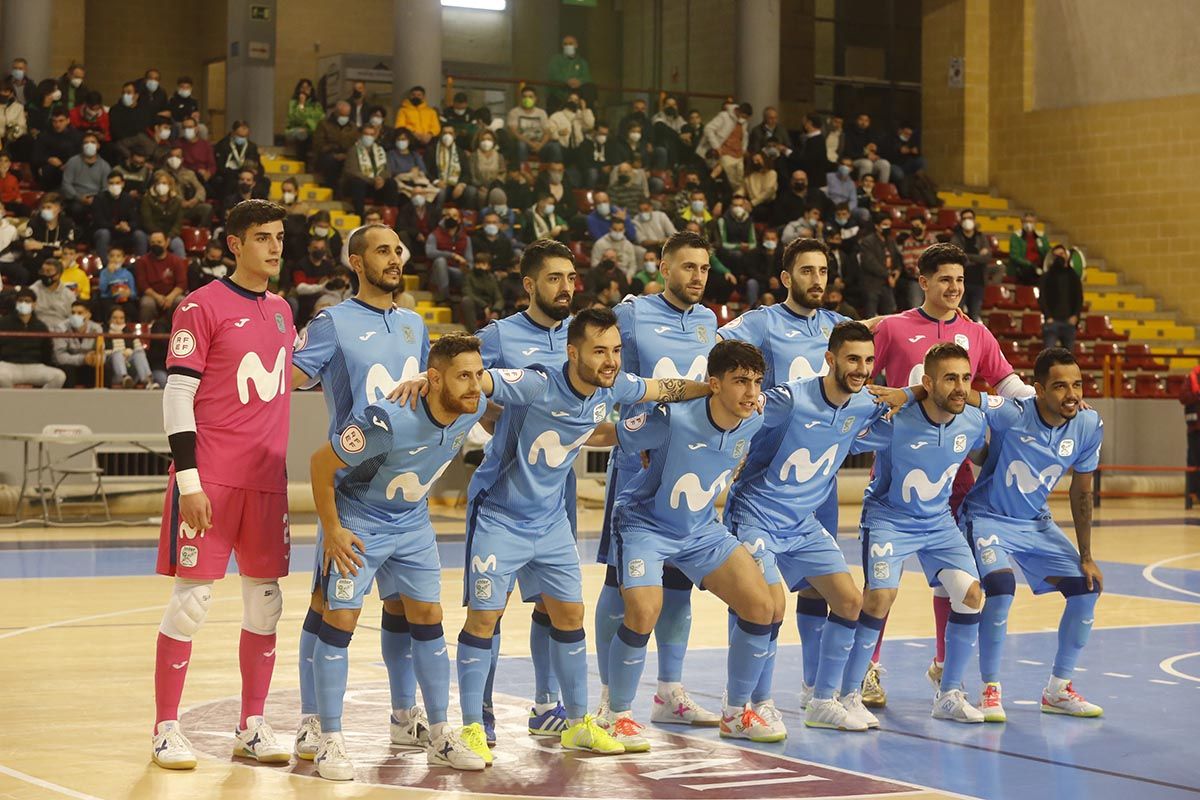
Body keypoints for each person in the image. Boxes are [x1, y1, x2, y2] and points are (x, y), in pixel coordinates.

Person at [446, 307, 712, 760]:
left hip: (551, 523)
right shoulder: (537, 382)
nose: (611, 360)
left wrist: (712, 390)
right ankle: (472, 727)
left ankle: (577, 724)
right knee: (484, 620)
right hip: (500, 516)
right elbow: (477, 378)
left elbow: (662, 388)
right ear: (573, 353)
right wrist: (425, 379)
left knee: (569, 616)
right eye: (599, 351)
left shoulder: (615, 384)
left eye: (615, 350)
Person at [306, 335, 525, 778]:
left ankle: (440, 733)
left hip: (411, 523)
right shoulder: (385, 421)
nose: (475, 385)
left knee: (428, 616)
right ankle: (330, 739)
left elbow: (513, 392)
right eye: (464, 376)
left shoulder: (474, 407)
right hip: (360, 521)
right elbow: (319, 464)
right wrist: (332, 531)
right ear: (435, 379)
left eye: (479, 375)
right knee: (340, 620)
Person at [149, 199, 293, 771]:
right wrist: (189, 480)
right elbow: (177, 393)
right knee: (192, 603)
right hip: (209, 478)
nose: (275, 247)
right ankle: (165, 729)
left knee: (266, 604)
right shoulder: (199, 306)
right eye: (263, 237)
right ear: (235, 244)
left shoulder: (283, 311)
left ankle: (252, 726)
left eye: (279, 237)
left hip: (266, 482)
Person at [860, 242, 1035, 708]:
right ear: (924, 282)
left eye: (959, 280)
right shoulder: (894, 328)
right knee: (884, 583)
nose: (954, 287)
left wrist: (1043, 400)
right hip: (899, 469)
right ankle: (868, 671)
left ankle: (943, 667)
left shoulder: (978, 334)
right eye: (945, 279)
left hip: (954, 475)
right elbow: (859, 377)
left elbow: (1008, 385)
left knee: (952, 579)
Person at [603, 339, 783, 749]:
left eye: (756, 382)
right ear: (713, 384)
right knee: (645, 610)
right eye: (740, 382)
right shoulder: (672, 418)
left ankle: (737, 713)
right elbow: (611, 435)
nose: (751, 392)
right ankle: (616, 715)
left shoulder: (755, 418)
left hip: (702, 531)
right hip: (644, 523)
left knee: (762, 607)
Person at [723, 322, 898, 733]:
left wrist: (912, 393)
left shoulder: (862, 404)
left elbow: (902, 404)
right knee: (770, 607)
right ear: (831, 359)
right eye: (853, 359)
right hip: (755, 515)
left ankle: (822, 700)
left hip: (802, 523)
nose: (861, 368)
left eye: (869, 361)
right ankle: (757, 703)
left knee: (850, 601)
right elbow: (739, 411)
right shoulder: (790, 398)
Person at [593, 230, 721, 730]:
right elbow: (603, 371)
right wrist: (620, 429)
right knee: (617, 580)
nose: (697, 277)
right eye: (687, 267)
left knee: (678, 583)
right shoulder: (630, 314)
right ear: (664, 268)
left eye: (704, 268)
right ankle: (608, 695)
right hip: (637, 472)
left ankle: (670, 691)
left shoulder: (711, 321)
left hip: (691, 475)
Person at [836, 343, 990, 727]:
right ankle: (849, 694)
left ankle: (949, 693)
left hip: (938, 523)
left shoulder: (971, 422)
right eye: (950, 378)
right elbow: (846, 439)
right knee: (879, 598)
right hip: (888, 518)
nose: (960, 387)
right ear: (927, 383)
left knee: (971, 596)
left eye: (966, 378)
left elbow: (990, 453)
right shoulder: (896, 420)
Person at [963, 347, 1105, 720]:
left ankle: (1058, 690)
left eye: (1077, 384)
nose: (1072, 394)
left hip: (1035, 523)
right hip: (987, 517)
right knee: (1000, 587)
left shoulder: (1089, 425)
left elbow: (1082, 490)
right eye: (1060, 386)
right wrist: (908, 393)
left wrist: (1086, 555)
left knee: (1087, 588)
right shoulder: (1012, 413)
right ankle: (990, 690)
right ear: (1037, 390)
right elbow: (962, 394)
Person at [0, 288, 67, 388]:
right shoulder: (3, 323)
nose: (23, 303)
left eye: (27, 301)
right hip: (9, 365)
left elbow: (47, 351)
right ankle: (12, 402)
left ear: (34, 304)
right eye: (20, 300)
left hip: (34, 366)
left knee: (59, 376)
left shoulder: (41, 326)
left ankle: (40, 402)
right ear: (16, 303)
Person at [342, 123, 398, 218]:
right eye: (366, 134)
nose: (369, 137)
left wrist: (381, 179)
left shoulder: (380, 150)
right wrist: (372, 180)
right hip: (362, 184)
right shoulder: (353, 150)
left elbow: (387, 170)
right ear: (361, 135)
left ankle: (390, 216)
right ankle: (360, 216)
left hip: (377, 185)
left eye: (371, 134)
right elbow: (352, 171)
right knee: (357, 183)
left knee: (391, 183)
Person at [135, 231, 188, 323]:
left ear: (167, 242)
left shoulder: (176, 261)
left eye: (159, 242)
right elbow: (142, 284)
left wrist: (170, 297)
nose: (156, 245)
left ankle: (177, 330)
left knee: (180, 301)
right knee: (147, 304)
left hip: (172, 295)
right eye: (153, 242)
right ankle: (145, 333)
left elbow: (182, 283)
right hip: (151, 296)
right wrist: (157, 297)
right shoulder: (142, 261)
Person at [948, 210, 991, 321]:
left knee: (974, 317)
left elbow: (986, 258)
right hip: (961, 282)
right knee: (958, 316)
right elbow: (957, 256)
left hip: (978, 282)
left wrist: (968, 256)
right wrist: (977, 257)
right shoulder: (956, 238)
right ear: (961, 221)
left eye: (970, 218)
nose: (968, 220)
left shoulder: (981, 237)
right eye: (965, 218)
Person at [699, 102, 751, 193]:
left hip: (739, 154)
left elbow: (744, 136)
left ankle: (737, 201)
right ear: (739, 111)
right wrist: (716, 146)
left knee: (739, 180)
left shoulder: (744, 122)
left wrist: (744, 149)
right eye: (744, 116)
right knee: (729, 180)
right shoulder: (724, 116)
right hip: (725, 152)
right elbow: (708, 129)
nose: (744, 119)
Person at [853, 216, 900, 317]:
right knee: (870, 314)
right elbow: (870, 263)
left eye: (889, 225)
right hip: (872, 283)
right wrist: (887, 275)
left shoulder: (891, 241)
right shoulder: (867, 241)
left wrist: (897, 270)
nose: (887, 227)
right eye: (885, 224)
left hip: (887, 284)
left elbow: (897, 258)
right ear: (877, 226)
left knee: (889, 314)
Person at [51, 298, 102, 386]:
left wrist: (96, 359)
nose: (75, 316)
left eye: (80, 313)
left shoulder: (96, 328)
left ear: (88, 315)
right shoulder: (60, 328)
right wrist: (83, 359)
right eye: (73, 313)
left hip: (88, 366)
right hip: (69, 366)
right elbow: (60, 357)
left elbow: (102, 353)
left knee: (104, 369)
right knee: (67, 370)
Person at [425, 207, 472, 303]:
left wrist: (466, 266)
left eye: (454, 216)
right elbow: (429, 252)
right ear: (444, 218)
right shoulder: (434, 235)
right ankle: (444, 297)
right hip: (437, 274)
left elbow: (470, 262)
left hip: (457, 273)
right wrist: (451, 255)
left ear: (459, 220)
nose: (450, 218)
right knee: (440, 261)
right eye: (448, 215)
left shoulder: (466, 238)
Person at [1039, 249, 1083, 350]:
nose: (1059, 257)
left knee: (1068, 359)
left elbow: (1079, 298)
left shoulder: (1073, 276)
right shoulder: (1047, 277)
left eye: (1062, 254)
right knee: (1048, 356)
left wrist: (1076, 316)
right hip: (1052, 322)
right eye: (1056, 255)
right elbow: (1042, 298)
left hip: (1069, 322)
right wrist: (1048, 316)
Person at [105, 305, 154, 388]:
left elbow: (139, 349)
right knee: (117, 354)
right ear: (109, 319)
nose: (118, 321)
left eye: (121, 318)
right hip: (112, 368)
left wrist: (130, 352)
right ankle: (124, 378)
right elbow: (101, 352)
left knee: (139, 353)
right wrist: (120, 353)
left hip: (130, 366)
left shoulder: (129, 333)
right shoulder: (104, 332)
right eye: (115, 318)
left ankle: (147, 380)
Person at [547, 35, 596, 110]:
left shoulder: (582, 62)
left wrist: (579, 81)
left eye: (570, 43)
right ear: (562, 46)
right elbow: (553, 75)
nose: (568, 46)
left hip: (577, 94)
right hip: (559, 94)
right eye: (565, 44)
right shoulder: (556, 60)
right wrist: (567, 80)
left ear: (576, 45)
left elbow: (588, 78)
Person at [506, 87, 552, 164]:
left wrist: (541, 145)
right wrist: (531, 143)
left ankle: (552, 171)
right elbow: (514, 132)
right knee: (521, 145)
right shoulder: (514, 112)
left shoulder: (542, 113)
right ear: (521, 98)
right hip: (523, 143)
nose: (527, 99)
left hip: (539, 143)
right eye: (524, 96)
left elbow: (547, 132)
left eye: (530, 97)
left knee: (554, 146)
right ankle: (523, 170)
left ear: (535, 99)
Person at [286, 79, 323, 164]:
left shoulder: (316, 104)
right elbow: (294, 119)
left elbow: (319, 118)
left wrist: (305, 120)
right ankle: (302, 164)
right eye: (302, 87)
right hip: (295, 129)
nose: (305, 90)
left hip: (312, 129)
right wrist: (301, 105)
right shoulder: (293, 103)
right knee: (301, 135)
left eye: (307, 87)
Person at [1008, 212, 1050, 285]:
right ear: (1022, 222)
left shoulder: (1041, 236)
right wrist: (1030, 265)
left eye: (1031, 222)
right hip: (1023, 267)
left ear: (1035, 223)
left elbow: (1047, 252)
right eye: (1025, 222)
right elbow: (1014, 256)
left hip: (1040, 265)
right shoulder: (1016, 236)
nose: (1028, 224)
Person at [1181, 365, 1200, 505]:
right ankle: (1193, 495)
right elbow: (1182, 397)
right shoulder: (1191, 378)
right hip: (1195, 428)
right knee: (1194, 461)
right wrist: (1196, 394)